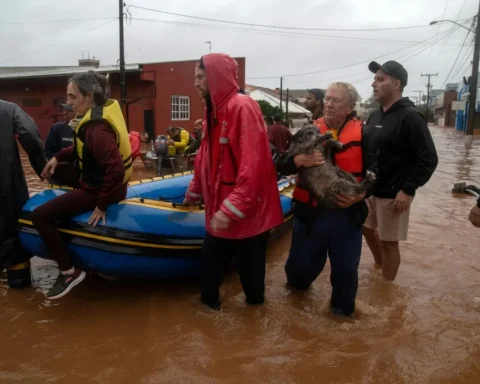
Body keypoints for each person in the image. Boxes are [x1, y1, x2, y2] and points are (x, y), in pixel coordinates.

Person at [184, 53, 284, 310]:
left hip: (247, 218)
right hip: (219, 214)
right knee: (208, 290)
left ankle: (251, 336)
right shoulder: (211, 111)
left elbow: (254, 165)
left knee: (253, 294)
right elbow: (206, 157)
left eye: (200, 77)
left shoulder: (242, 107)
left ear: (215, 77)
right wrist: (194, 191)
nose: (195, 83)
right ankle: (213, 341)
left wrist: (230, 209)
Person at [277, 82, 377, 317]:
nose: (329, 104)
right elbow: (281, 164)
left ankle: (342, 321)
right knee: (299, 273)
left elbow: (380, 171)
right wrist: (298, 162)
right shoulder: (309, 130)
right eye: (328, 99)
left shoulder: (365, 134)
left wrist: (362, 195)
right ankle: (295, 312)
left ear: (351, 106)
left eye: (336, 100)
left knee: (345, 273)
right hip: (310, 215)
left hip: (347, 215)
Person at [30, 71, 133, 299]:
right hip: (100, 184)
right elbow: (82, 148)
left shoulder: (97, 129)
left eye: (72, 97)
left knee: (39, 216)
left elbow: (115, 169)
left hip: (101, 191)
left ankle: (69, 272)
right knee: (61, 182)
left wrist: (102, 205)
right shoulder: (95, 117)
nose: (68, 102)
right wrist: (57, 156)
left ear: (88, 96)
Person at [362, 60, 438, 281]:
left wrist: (407, 190)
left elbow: (428, 158)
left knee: (389, 242)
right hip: (371, 191)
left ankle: (387, 291)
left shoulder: (411, 117)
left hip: (395, 194)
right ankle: (379, 266)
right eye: (374, 79)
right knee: (366, 229)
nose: (373, 84)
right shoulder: (374, 116)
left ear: (396, 84)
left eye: (380, 79)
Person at [0, 100, 46, 288]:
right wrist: (42, 167)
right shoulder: (9, 109)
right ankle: (18, 282)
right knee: (15, 245)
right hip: (7, 189)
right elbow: (30, 136)